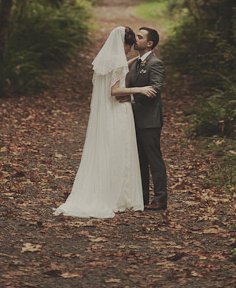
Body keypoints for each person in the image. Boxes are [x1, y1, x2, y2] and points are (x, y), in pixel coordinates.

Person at [53, 26, 156, 218]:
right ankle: (117, 195)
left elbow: (119, 67)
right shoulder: (117, 61)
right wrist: (139, 90)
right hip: (117, 111)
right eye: (128, 46)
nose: (128, 50)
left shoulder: (105, 59)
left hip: (106, 113)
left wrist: (133, 61)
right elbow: (114, 90)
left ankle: (107, 191)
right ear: (123, 44)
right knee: (119, 149)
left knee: (107, 149)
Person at [115, 26, 168, 211]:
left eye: (140, 37)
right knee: (140, 161)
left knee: (154, 160)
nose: (135, 39)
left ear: (150, 43)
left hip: (150, 121)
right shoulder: (137, 62)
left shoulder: (155, 63)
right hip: (135, 119)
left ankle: (161, 199)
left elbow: (155, 89)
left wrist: (131, 97)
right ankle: (143, 198)